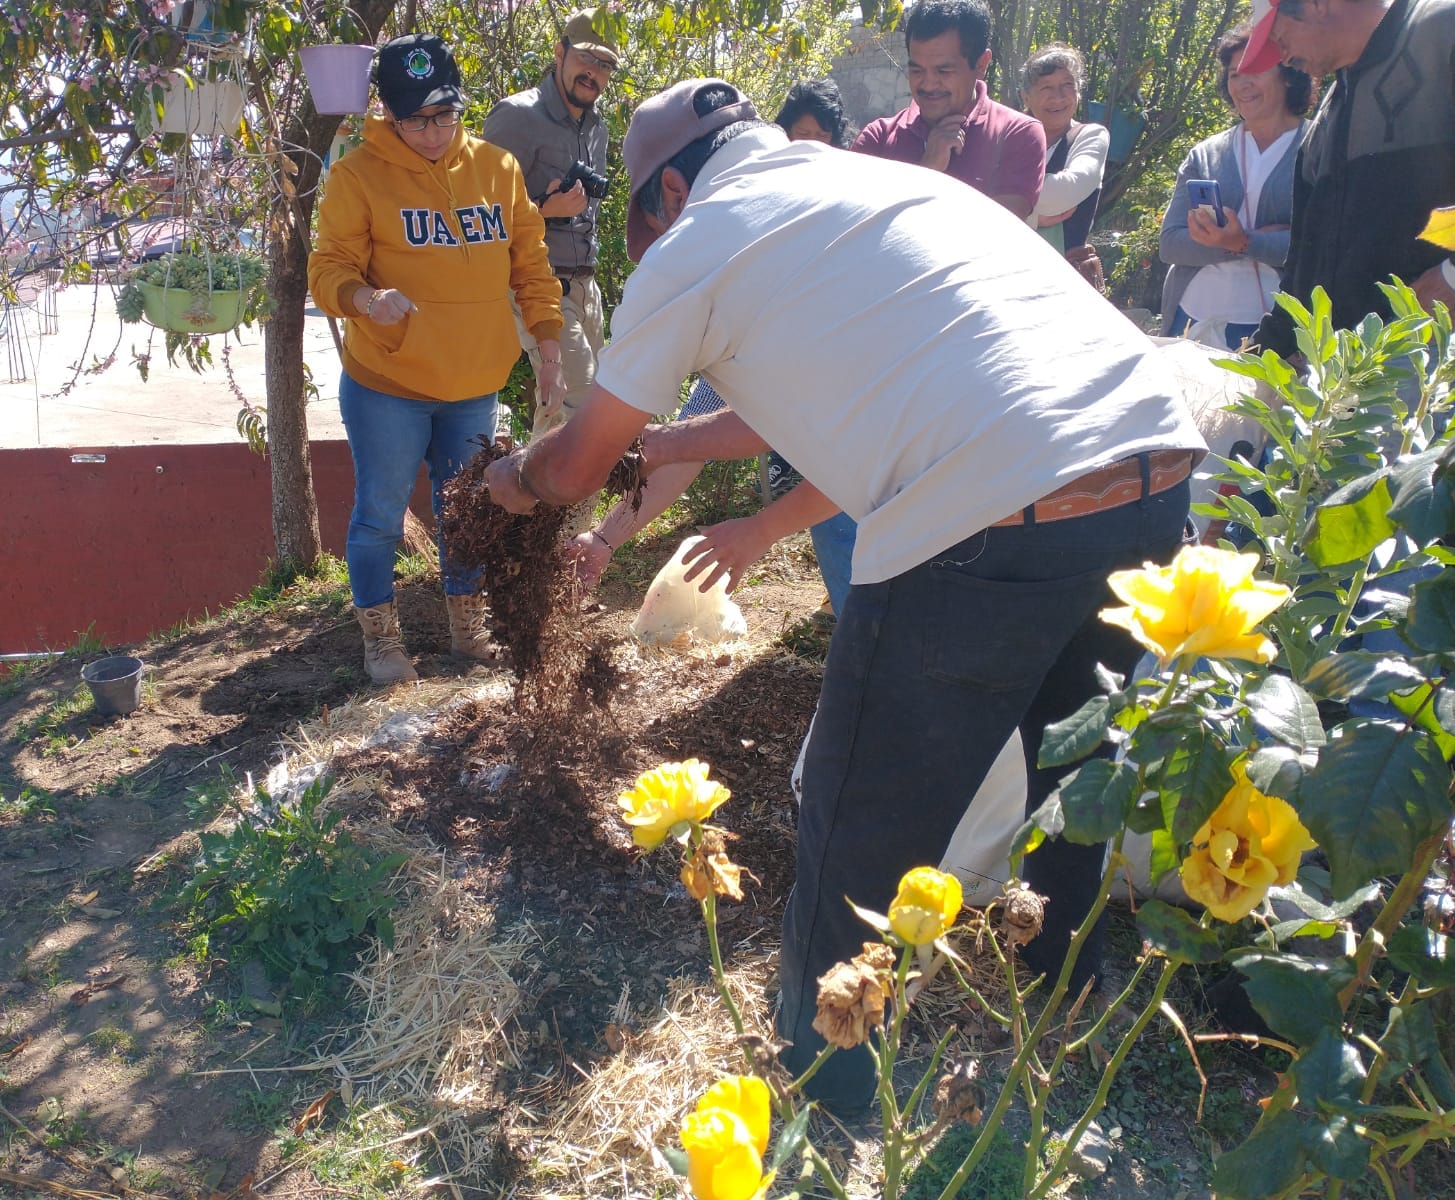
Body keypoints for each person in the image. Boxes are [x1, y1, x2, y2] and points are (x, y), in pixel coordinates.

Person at [485, 78, 1204, 1111]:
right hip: (1149, 473)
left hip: (994, 507)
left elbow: (570, 468)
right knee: (1071, 773)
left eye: (635, 217)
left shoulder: (703, 238)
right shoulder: (875, 193)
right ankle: (1058, 1008)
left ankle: (826, 1091)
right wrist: (681, 441)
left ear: (670, 191)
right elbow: (874, 402)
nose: (640, 240)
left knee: (861, 816)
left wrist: (505, 484)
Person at [308, 34, 564, 685]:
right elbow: (327, 269)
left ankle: (468, 628)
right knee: (378, 513)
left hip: (474, 384)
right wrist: (365, 298)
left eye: (443, 114)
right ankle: (380, 639)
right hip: (388, 385)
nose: (431, 131)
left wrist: (549, 349)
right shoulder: (356, 174)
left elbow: (531, 267)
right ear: (387, 114)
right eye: (415, 118)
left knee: (466, 512)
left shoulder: (498, 170)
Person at [571, 79, 857, 616]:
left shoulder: (805, 280)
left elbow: (859, 446)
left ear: (678, 191)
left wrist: (762, 529)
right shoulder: (748, 307)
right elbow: (707, 434)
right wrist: (605, 538)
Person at [1244, 0, 1455, 356]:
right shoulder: (1326, 120)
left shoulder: (1441, 27)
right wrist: (1267, 356)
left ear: (1318, 5)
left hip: (1436, 370)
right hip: (1350, 379)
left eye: (1280, 39)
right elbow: (1303, 265)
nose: (1282, 58)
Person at [482, 9, 620, 444]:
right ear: (560, 52)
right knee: (583, 410)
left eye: (604, 65)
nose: (593, 73)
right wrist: (545, 208)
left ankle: (534, 505)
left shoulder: (598, 127)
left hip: (586, 285)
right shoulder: (517, 116)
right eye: (586, 59)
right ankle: (564, 511)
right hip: (538, 282)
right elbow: (480, 215)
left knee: (574, 405)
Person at [1159, 25, 1312, 350]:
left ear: (1287, 74)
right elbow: (1171, 244)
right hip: (1191, 320)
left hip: (1275, 330)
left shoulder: (1317, 149)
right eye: (1234, 74)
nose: (1243, 83)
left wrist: (1244, 240)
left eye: (1255, 69)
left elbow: (1318, 246)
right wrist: (1243, 243)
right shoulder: (1206, 154)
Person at [852, 0, 1045, 219]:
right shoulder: (877, 138)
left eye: (943, 71)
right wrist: (926, 169)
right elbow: (852, 228)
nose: (928, 84)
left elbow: (996, 234)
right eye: (917, 70)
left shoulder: (1018, 134)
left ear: (981, 64)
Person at [1021, 45, 1109, 289]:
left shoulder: (1090, 136)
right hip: (1006, 276)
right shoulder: (1006, 139)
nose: (1058, 97)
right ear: (1026, 97)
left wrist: (1010, 201)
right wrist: (1034, 217)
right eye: (1046, 87)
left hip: (1061, 287)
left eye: (1067, 85)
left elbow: (1062, 194)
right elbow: (976, 197)